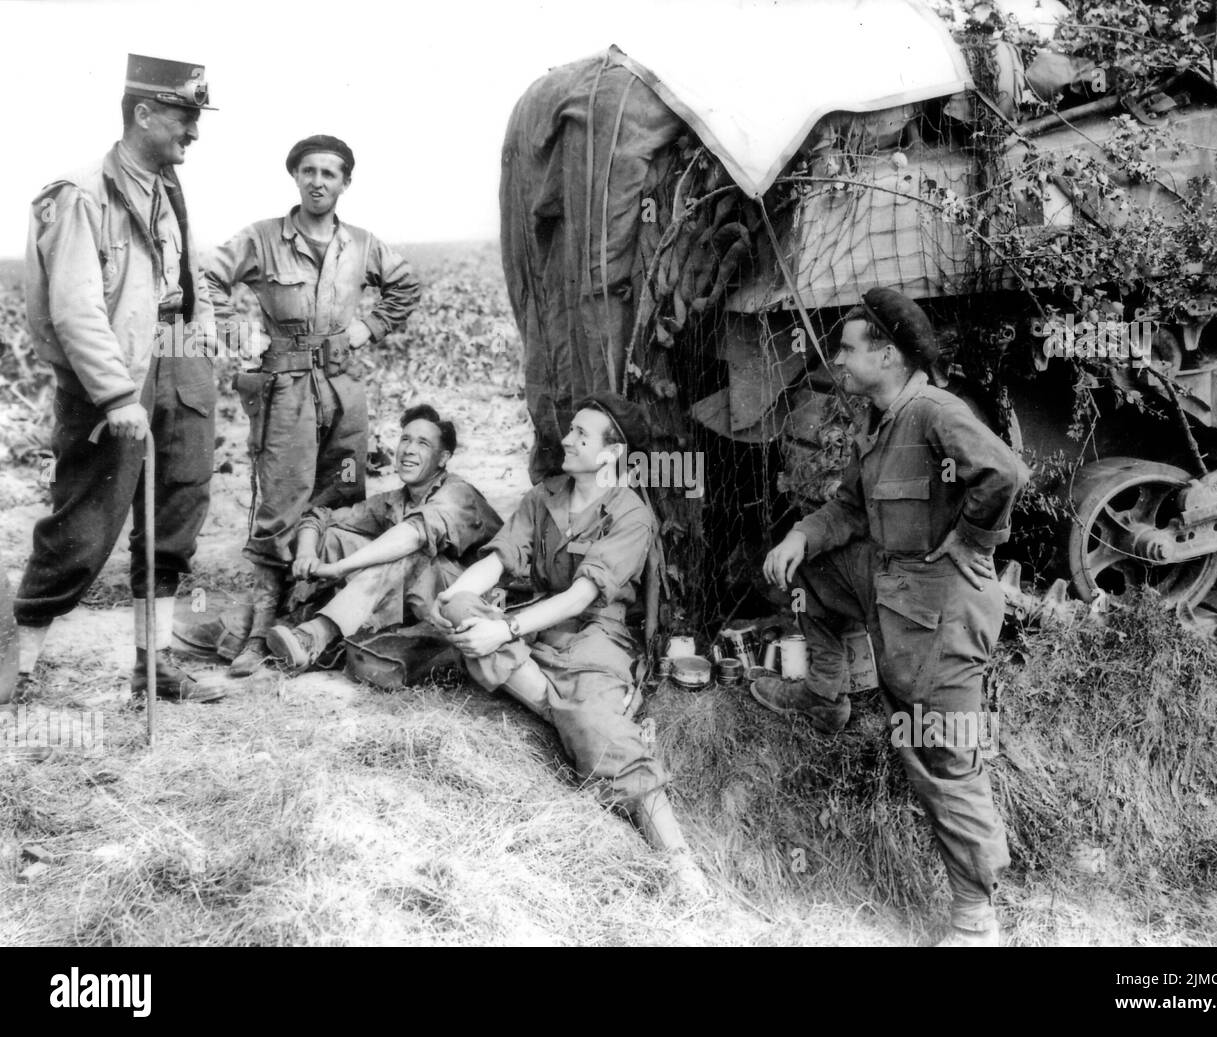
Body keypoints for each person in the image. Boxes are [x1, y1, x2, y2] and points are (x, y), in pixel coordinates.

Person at [753, 288, 1027, 946]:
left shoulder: (931, 410)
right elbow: (846, 509)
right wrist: (798, 537)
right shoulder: (883, 422)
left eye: (847, 348)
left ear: (886, 352)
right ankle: (830, 698)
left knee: (943, 754)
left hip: (941, 614)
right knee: (810, 573)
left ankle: (974, 917)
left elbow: (1005, 473)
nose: (837, 361)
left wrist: (969, 540)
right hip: (891, 595)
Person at [429, 392, 708, 898]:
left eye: (582, 434)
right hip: (536, 626)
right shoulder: (544, 496)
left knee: (600, 723)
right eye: (570, 430)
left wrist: (503, 631)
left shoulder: (631, 516)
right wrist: (457, 594)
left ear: (612, 453)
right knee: (456, 608)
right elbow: (501, 558)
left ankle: (681, 862)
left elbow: (583, 595)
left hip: (595, 635)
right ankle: (567, 713)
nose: (566, 439)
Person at [13, 54, 223, 704]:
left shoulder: (165, 185)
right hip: (111, 379)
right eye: (186, 117)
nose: (194, 133)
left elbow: (184, 275)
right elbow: (74, 309)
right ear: (144, 112)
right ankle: (12, 667)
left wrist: (203, 334)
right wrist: (115, 395)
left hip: (175, 363)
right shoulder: (79, 193)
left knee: (176, 517)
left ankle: (154, 668)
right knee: (83, 528)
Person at [205, 134, 421, 677]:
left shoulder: (363, 244)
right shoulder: (262, 238)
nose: (318, 181)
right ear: (295, 177)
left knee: (343, 496)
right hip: (286, 386)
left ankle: (316, 620)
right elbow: (207, 278)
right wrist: (238, 332)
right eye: (308, 171)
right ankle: (258, 633)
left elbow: (405, 287)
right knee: (281, 504)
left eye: (330, 173)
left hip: (344, 387)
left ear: (345, 183)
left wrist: (368, 327)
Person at [264, 404, 502, 670]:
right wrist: (306, 552)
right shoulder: (395, 500)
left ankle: (316, 635)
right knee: (334, 536)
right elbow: (321, 516)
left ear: (443, 458)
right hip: (427, 601)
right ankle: (302, 618)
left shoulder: (458, 493)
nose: (409, 450)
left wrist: (339, 568)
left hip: (483, 602)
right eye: (405, 439)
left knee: (407, 552)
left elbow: (413, 535)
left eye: (423, 443)